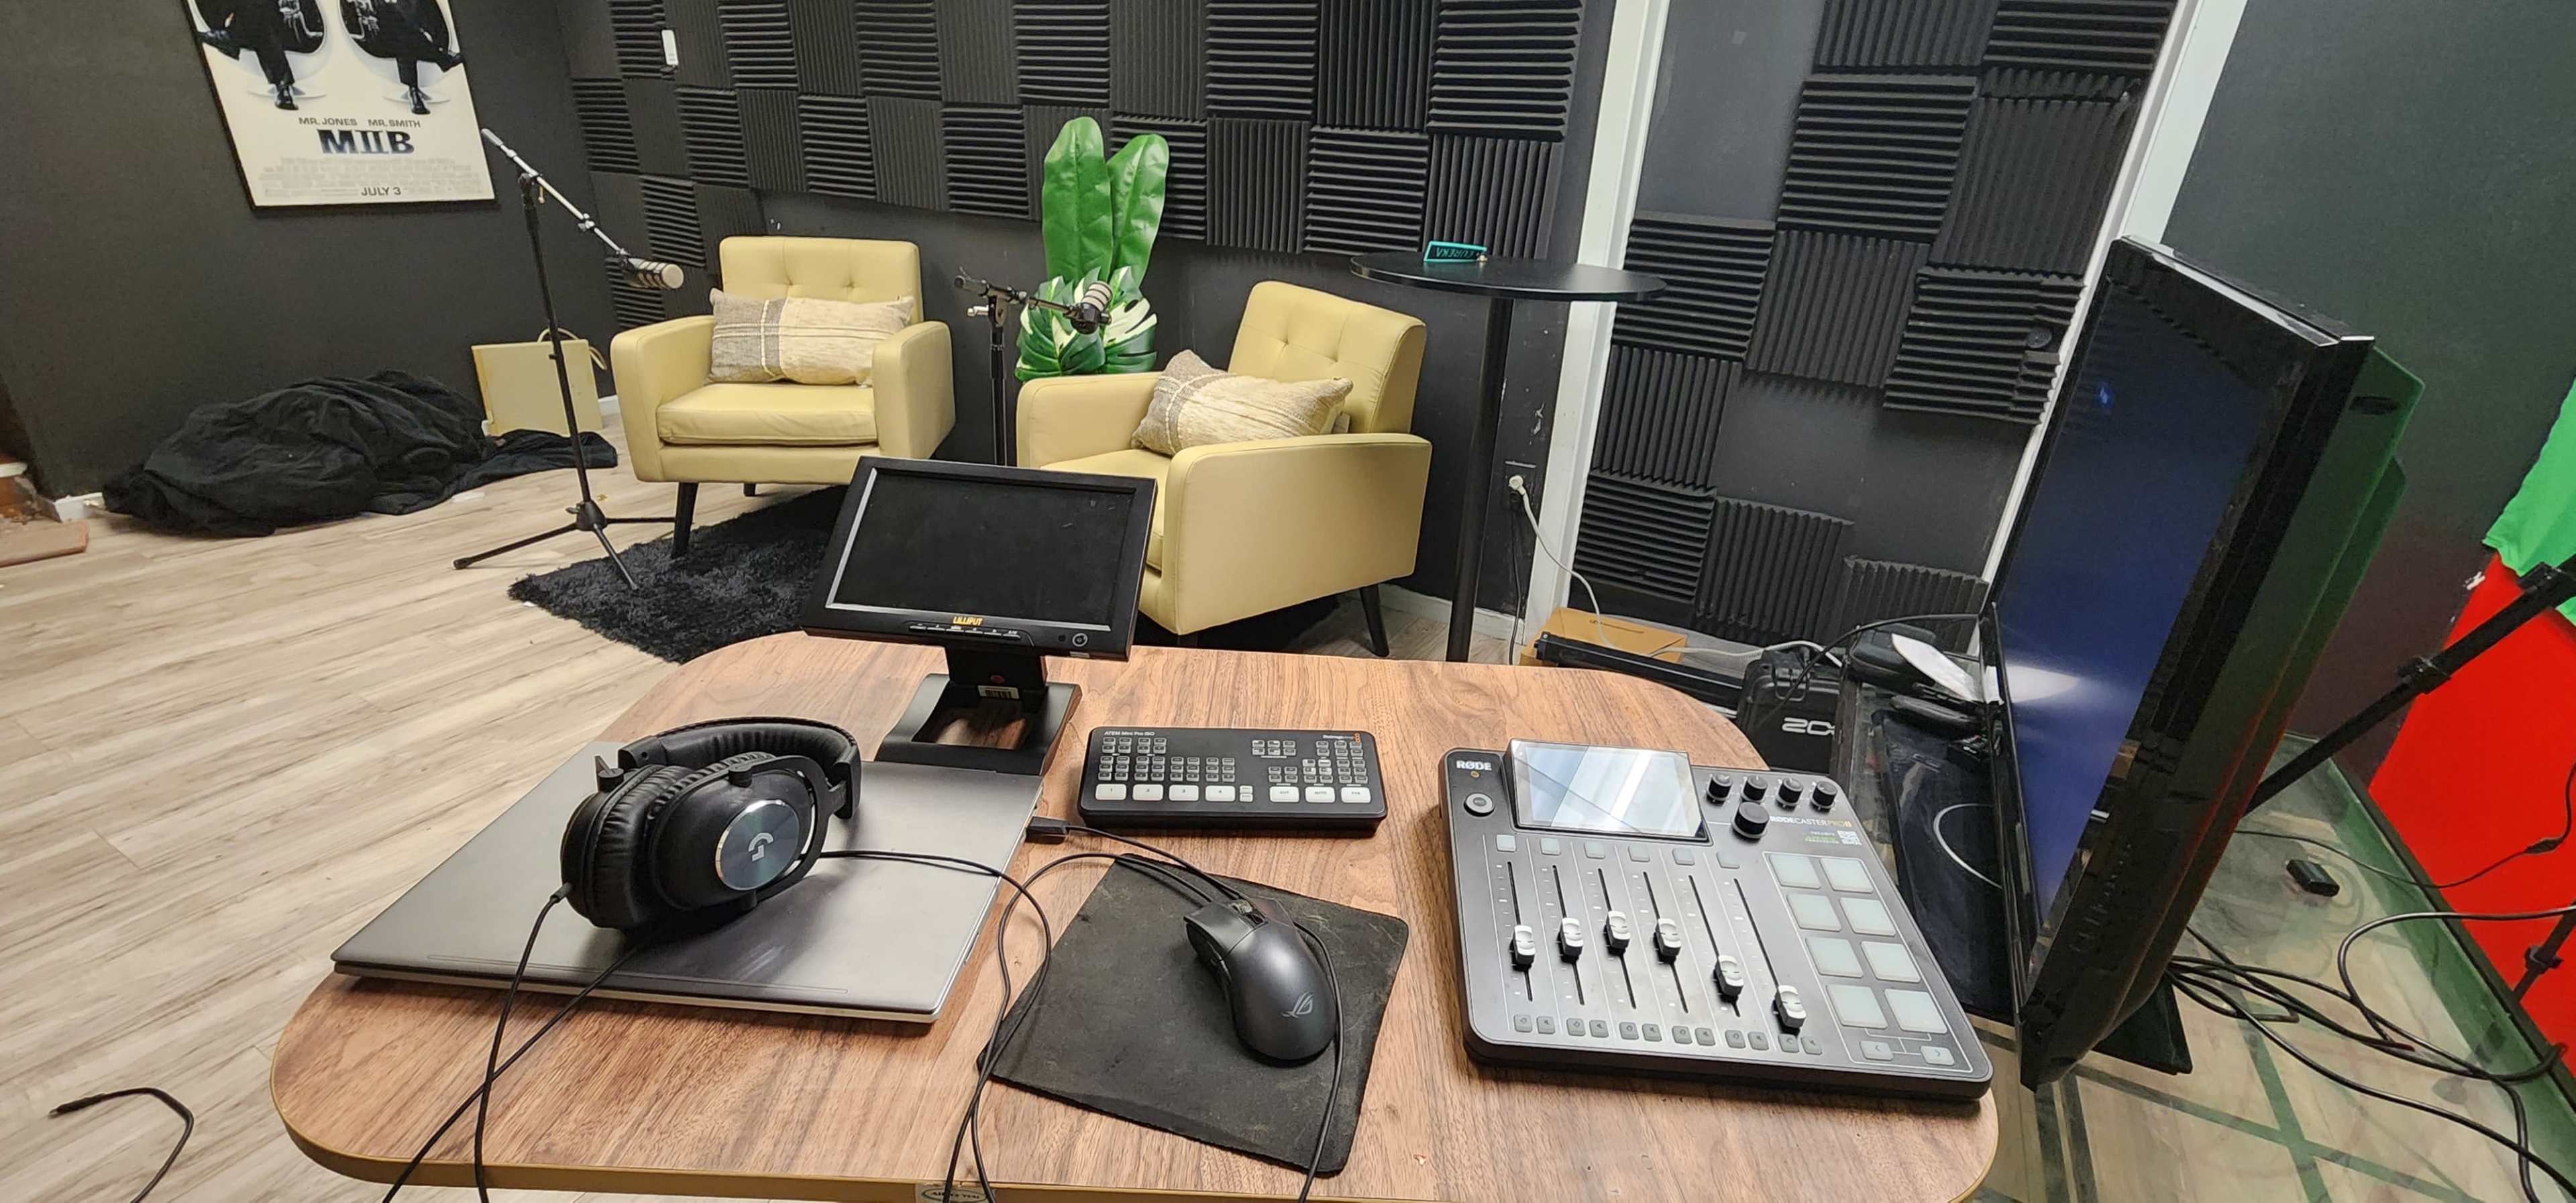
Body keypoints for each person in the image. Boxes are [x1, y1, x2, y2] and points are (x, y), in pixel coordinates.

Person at [195, 0, 327, 111]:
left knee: (258, 17)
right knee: (261, 25)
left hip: (274, 18)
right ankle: (283, 86)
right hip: (241, 18)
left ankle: (230, 37)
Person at [341, 0, 464, 116]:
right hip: (375, 31)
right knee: (401, 33)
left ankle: (414, 90)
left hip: (402, 31)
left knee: (405, 37)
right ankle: (442, 59)